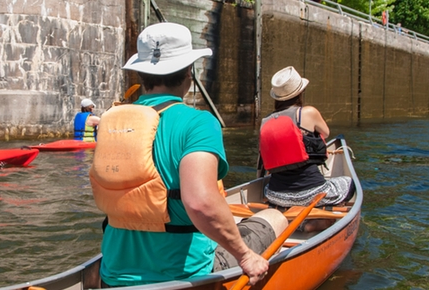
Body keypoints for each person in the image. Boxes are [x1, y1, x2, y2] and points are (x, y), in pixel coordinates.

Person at [90, 22, 288, 287]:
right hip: (185, 276)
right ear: (188, 73)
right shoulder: (198, 122)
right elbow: (200, 204)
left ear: (141, 75)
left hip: (114, 273)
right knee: (274, 217)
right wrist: (245, 255)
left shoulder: (109, 122)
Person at [259, 66, 354, 226]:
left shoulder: (265, 122)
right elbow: (326, 132)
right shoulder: (308, 112)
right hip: (311, 193)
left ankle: (290, 217)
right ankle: (318, 219)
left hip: (275, 194)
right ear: (300, 92)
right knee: (349, 184)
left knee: (276, 188)